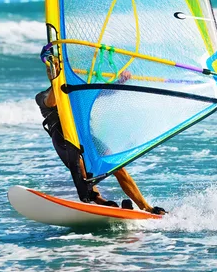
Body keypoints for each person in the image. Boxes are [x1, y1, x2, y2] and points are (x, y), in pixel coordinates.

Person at [35, 57, 166, 214]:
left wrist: (120, 81)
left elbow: (102, 92)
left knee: (117, 166)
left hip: (86, 137)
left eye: (55, 68)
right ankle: (101, 202)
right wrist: (57, 79)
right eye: (50, 70)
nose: (53, 71)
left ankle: (145, 207)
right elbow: (52, 102)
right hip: (64, 140)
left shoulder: (76, 91)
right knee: (82, 171)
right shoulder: (42, 96)